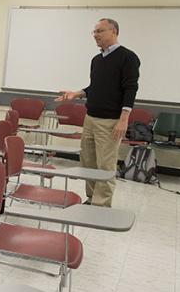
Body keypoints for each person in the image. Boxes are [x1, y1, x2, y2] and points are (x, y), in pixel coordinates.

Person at [56, 18, 140, 207]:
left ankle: (101, 205)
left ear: (114, 32)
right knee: (88, 162)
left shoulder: (128, 57)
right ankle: (92, 198)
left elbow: (130, 89)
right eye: (94, 32)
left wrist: (123, 119)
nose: (95, 35)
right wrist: (77, 93)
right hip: (91, 118)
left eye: (100, 31)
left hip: (110, 121)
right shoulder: (97, 60)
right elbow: (95, 87)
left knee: (105, 165)